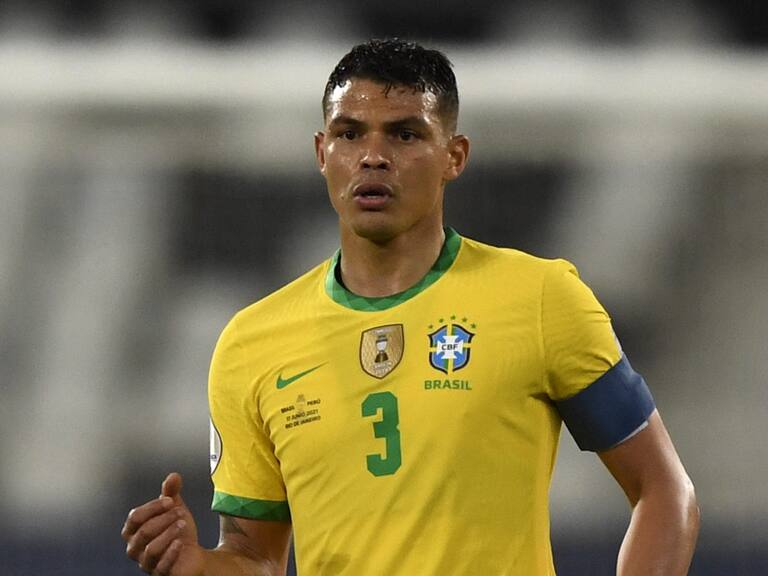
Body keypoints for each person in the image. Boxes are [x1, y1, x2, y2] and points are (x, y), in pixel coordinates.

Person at [122, 38, 699, 575]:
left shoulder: (540, 297)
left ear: (454, 155)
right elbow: (256, 557)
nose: (372, 157)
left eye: (404, 134)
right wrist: (198, 565)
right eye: (349, 134)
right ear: (322, 152)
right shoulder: (253, 341)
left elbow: (665, 492)